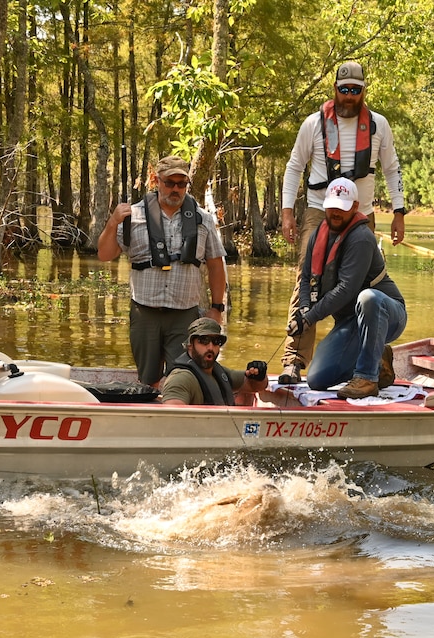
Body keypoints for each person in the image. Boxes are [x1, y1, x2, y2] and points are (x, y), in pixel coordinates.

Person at [279, 60, 406, 384]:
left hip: (362, 211)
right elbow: (294, 166)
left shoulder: (378, 125)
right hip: (320, 209)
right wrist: (287, 211)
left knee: (362, 287)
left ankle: (376, 355)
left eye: (356, 90)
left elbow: (392, 169)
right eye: (344, 89)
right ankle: (294, 360)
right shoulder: (314, 124)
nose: (349, 96)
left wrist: (399, 211)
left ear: (363, 91)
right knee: (307, 281)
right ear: (335, 89)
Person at [98, 155, 227, 388]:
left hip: (184, 314)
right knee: (148, 379)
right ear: (156, 181)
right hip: (144, 311)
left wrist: (217, 308)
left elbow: (216, 265)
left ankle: (178, 415)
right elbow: (105, 255)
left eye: (181, 184)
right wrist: (112, 222)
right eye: (169, 183)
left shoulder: (203, 220)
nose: (175, 189)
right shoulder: (132, 216)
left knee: (184, 378)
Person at [287, 177, 407, 399]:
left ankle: (367, 377)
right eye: (332, 207)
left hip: (388, 315)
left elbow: (346, 289)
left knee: (368, 298)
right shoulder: (318, 235)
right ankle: (379, 359)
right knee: (317, 379)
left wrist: (310, 318)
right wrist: (304, 310)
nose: (335, 213)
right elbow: (305, 279)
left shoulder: (361, 238)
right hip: (350, 323)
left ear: (354, 207)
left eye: (341, 209)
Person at [161, 318, 268, 405]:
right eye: (204, 340)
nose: (211, 347)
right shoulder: (180, 379)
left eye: (216, 341)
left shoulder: (219, 372)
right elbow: (174, 417)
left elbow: (256, 387)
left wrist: (259, 376)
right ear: (190, 345)